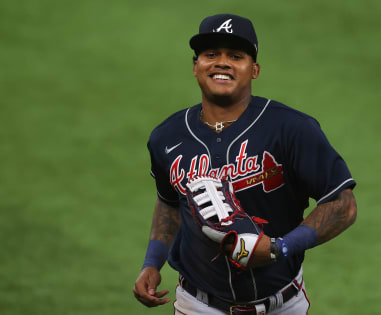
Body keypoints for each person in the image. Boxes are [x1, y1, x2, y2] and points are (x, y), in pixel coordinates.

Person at [133, 13, 357, 315]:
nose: (222, 62)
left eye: (235, 56)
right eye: (211, 54)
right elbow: (170, 203)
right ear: (196, 66)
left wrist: (280, 248)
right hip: (198, 306)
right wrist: (152, 262)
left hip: (282, 305)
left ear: (254, 70)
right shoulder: (166, 137)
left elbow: (343, 204)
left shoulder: (292, 129)